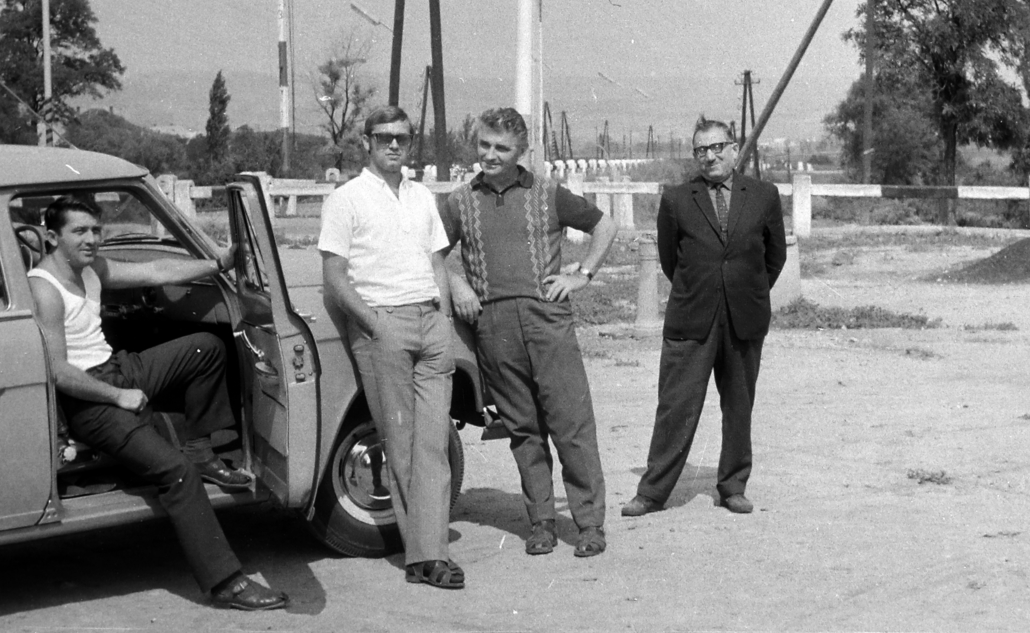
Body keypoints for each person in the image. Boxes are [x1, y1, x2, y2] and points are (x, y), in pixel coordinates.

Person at [28, 195, 288, 611]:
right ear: (52, 236)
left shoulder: (89, 266)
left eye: (96, 230)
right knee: (176, 473)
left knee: (205, 347)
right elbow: (58, 372)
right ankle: (226, 582)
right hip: (87, 400)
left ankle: (201, 449)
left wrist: (218, 264)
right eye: (79, 231)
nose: (91, 239)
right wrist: (119, 396)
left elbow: (154, 269)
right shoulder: (46, 290)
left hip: (114, 368)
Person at [441, 107, 616, 557]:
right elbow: (433, 253)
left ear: (521, 151)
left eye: (502, 148)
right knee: (522, 428)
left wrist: (582, 275)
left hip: (547, 319)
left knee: (570, 424)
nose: (491, 155)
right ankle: (540, 522)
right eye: (484, 145)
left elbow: (604, 226)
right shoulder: (459, 201)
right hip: (493, 325)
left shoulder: (548, 193)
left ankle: (589, 524)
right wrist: (458, 282)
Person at [318, 106, 462, 590]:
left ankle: (428, 554)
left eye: (402, 138)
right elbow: (334, 278)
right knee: (399, 446)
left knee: (433, 446)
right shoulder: (346, 199)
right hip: (385, 329)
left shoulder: (421, 196)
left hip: (430, 324)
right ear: (367, 143)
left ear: (410, 142)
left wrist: (442, 316)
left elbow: (437, 262)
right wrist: (375, 324)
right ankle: (427, 558)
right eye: (384, 138)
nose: (394, 146)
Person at [623, 118, 787, 518]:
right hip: (692, 319)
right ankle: (652, 492)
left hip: (743, 319)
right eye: (701, 150)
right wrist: (701, 290)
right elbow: (668, 260)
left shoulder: (764, 195)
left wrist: (743, 291)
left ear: (734, 150)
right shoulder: (678, 199)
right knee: (675, 405)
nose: (709, 156)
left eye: (717, 148)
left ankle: (733, 486)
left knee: (738, 405)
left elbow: (774, 257)